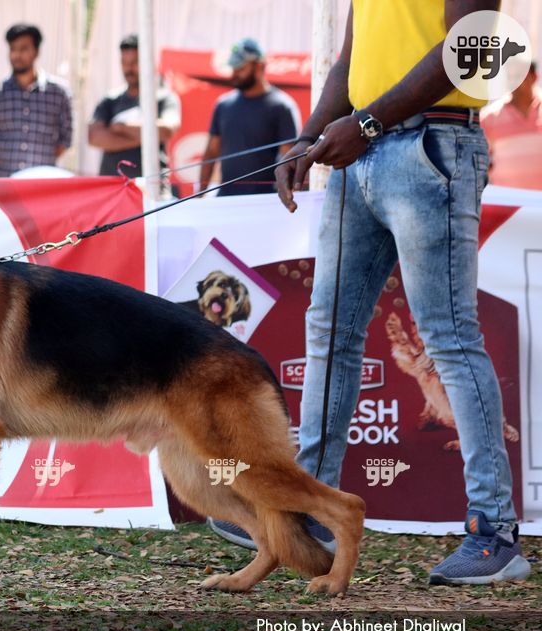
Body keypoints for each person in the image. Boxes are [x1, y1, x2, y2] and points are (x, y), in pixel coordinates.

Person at [211, 0, 531, 586]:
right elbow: (348, 60)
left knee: (448, 336)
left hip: (432, 141)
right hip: (363, 150)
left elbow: (468, 44)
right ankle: (307, 509)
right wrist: (306, 138)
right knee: (330, 330)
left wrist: (362, 125)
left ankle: (495, 532)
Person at [199, 38, 300, 196]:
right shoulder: (223, 105)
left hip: (265, 201)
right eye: (233, 68)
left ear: (259, 66)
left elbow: (288, 159)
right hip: (226, 198)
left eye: (240, 68)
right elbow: (211, 152)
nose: (234, 74)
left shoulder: (282, 106)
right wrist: (200, 194)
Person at [0, 23, 72, 177]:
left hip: (43, 183)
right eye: (13, 49)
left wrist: (39, 168)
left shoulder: (59, 94)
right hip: (5, 182)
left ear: (36, 51)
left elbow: (65, 140)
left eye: (23, 49)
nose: (17, 55)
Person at [88, 34, 181, 179]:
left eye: (135, 62)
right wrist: (146, 137)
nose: (129, 69)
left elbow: (167, 130)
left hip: (151, 185)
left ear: (147, 62)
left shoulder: (164, 98)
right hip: (114, 185)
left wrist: (121, 127)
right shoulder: (110, 100)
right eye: (124, 62)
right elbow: (94, 137)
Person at [481, 61, 542, 189]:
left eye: (519, 76)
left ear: (534, 77)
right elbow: (481, 162)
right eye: (511, 76)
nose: (515, 82)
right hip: (505, 199)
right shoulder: (489, 118)